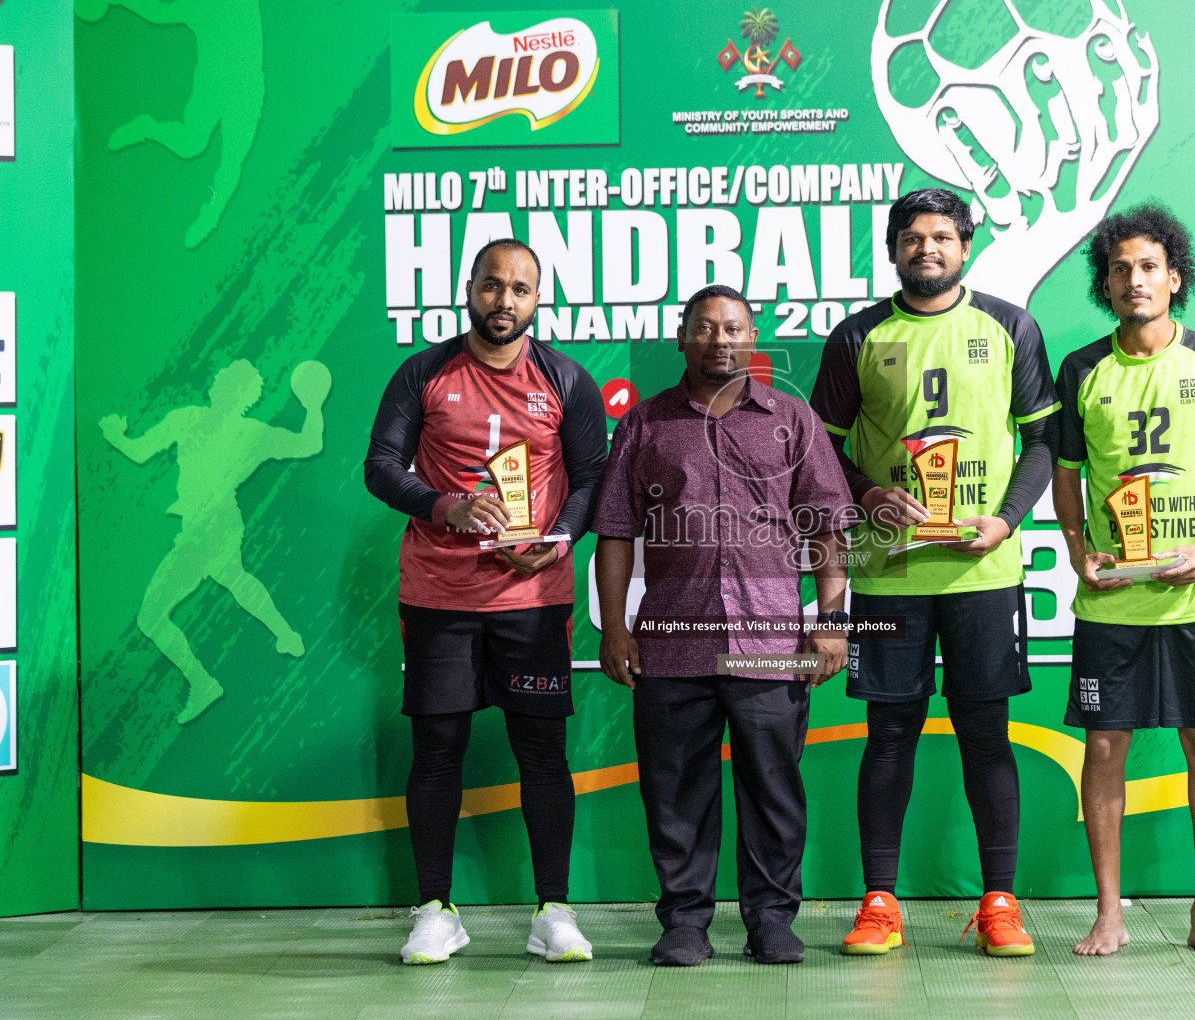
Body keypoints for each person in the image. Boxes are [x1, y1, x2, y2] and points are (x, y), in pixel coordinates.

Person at [809, 187, 1060, 957]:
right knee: (889, 733)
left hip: (982, 574)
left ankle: (1000, 903)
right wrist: (870, 494)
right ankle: (879, 903)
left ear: (966, 246)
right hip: (888, 575)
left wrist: (1009, 519)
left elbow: (1043, 441)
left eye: (943, 236)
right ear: (891, 249)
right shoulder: (857, 335)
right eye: (913, 237)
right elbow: (824, 455)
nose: (928, 248)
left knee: (987, 732)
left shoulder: (1011, 326)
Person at [592, 284, 855, 967]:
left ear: (753, 336)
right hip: (672, 643)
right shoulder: (645, 426)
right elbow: (616, 532)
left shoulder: (792, 420)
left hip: (771, 644)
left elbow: (827, 524)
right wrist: (616, 628)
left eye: (733, 328)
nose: (720, 341)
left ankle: (771, 919)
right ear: (682, 339)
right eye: (705, 329)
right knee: (676, 790)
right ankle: (684, 921)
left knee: (773, 789)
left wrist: (831, 620)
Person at [364, 238, 607, 965]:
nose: (505, 300)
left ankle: (553, 911)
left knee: (542, 749)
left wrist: (560, 537)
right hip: (440, 594)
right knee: (437, 748)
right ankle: (436, 909)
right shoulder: (423, 372)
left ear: (539, 299)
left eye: (521, 289)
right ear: (468, 287)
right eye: (493, 285)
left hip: (532, 597)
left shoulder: (566, 378)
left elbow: (593, 474)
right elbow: (379, 466)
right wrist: (445, 507)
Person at [1051, 203, 1195, 957]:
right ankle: (1108, 911)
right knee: (1104, 747)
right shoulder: (1081, 368)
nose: (1134, 280)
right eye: (1119, 270)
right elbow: (1067, 476)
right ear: (1104, 286)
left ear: (1174, 279)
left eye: (1148, 267)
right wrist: (1079, 549)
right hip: (1113, 597)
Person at [100, 358, 329, 724]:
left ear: (236, 391)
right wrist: (116, 435)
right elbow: (140, 450)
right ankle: (286, 635)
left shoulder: (241, 431)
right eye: (220, 375)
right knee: (234, 578)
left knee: (151, 616)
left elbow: (309, 444)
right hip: (216, 525)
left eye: (225, 377)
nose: (217, 378)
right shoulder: (192, 419)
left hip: (207, 527)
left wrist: (315, 405)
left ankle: (203, 682)